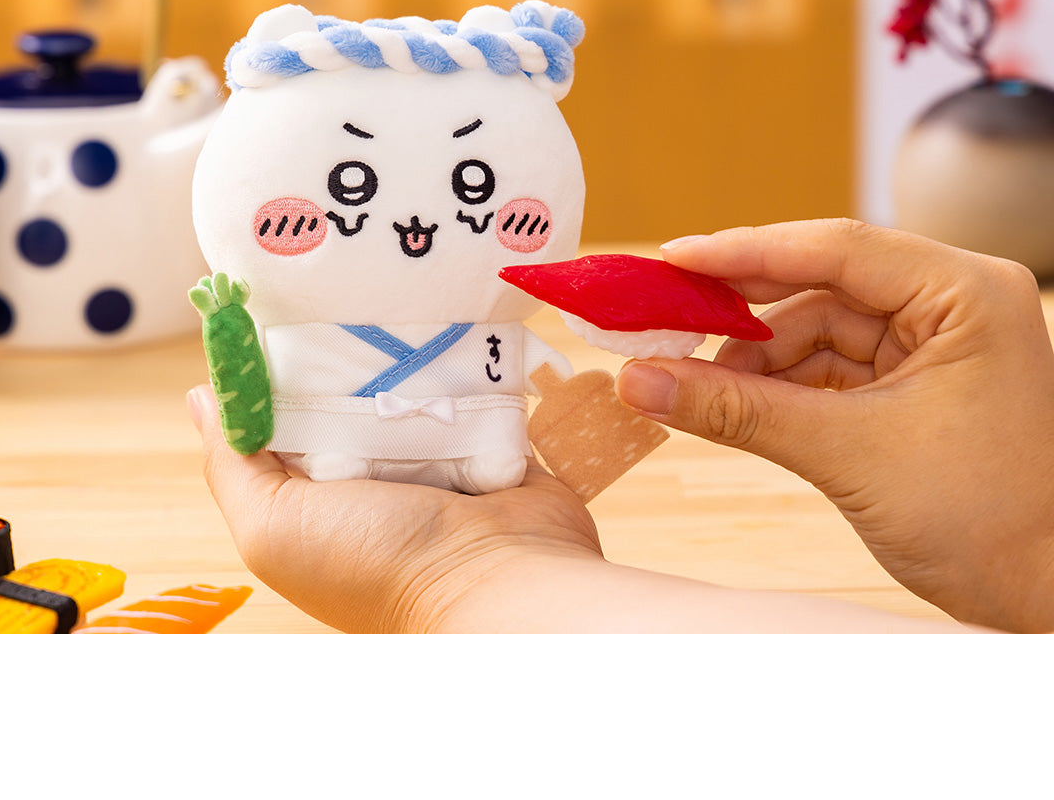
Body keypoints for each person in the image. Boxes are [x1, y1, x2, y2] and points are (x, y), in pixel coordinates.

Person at [187, 218, 1054, 634]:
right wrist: (1024, 557)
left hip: (483, 441)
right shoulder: (321, 337)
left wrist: (452, 579)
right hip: (362, 436)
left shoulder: (493, 337)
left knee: (492, 450)